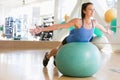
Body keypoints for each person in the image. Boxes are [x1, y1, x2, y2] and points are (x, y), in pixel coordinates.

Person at [29, 2, 113, 67]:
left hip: (81, 47)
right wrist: (42, 29)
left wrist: (107, 31)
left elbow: (101, 27)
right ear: (84, 11)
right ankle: (48, 55)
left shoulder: (94, 22)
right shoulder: (78, 21)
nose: (93, 11)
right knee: (57, 51)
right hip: (69, 41)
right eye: (90, 9)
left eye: (93, 9)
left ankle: (56, 56)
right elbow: (59, 26)